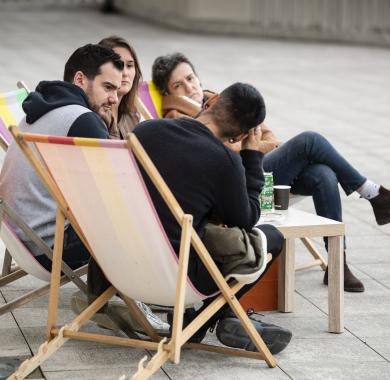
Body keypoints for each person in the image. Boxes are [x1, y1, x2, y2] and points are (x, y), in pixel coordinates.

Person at [151, 52, 390, 293]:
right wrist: (251, 149)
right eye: (178, 85)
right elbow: (231, 153)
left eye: (191, 78)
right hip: (244, 178)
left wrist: (251, 146)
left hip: (261, 172)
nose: (190, 87)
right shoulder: (177, 117)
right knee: (309, 141)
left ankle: (338, 262)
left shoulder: (221, 99)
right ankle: (372, 193)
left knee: (323, 174)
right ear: (167, 93)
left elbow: (272, 140)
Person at [89, 82, 292, 354]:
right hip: (177, 277)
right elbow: (246, 219)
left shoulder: (145, 131)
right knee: (271, 237)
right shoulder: (224, 162)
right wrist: (252, 157)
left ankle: (218, 318)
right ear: (241, 135)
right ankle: (203, 320)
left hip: (118, 265)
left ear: (212, 100)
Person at [0, 43, 123, 271]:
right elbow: (117, 188)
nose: (114, 99)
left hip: (17, 237)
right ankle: (148, 296)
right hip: (51, 247)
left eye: (117, 90)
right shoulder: (83, 119)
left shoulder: (44, 107)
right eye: (108, 87)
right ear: (80, 79)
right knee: (142, 220)